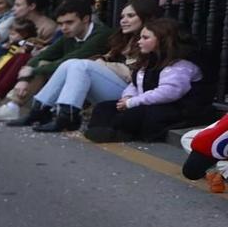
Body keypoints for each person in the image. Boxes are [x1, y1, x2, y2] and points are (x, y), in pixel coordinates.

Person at [21, 0, 148, 133]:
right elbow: (46, 55)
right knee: (71, 63)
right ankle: (39, 111)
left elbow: (135, 75)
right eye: (122, 16)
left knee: (81, 65)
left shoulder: (150, 40)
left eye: (130, 16)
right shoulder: (125, 37)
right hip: (118, 91)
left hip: (133, 96)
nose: (124, 20)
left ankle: (66, 117)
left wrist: (103, 64)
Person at [82, 15, 207, 143]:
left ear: (163, 41)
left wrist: (133, 102)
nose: (139, 41)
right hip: (148, 102)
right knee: (104, 107)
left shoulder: (181, 65)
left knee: (136, 113)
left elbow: (168, 93)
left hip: (176, 108)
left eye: (145, 38)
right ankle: (100, 129)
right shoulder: (150, 60)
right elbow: (136, 84)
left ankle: (121, 133)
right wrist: (128, 96)